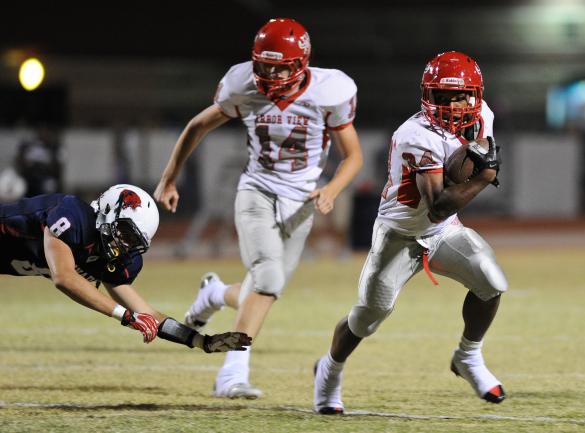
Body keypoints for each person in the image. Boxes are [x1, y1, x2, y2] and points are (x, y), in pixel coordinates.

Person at [154, 18, 363, 398]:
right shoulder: (243, 86)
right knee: (267, 278)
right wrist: (169, 178)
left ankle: (214, 293)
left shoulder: (330, 91)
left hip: (302, 202)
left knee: (267, 287)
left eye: (280, 66)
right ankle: (231, 373)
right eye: (264, 65)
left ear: (301, 63)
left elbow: (354, 156)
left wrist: (331, 188)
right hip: (257, 192)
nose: (271, 74)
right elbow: (196, 126)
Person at [313, 51, 508, 414]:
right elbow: (438, 204)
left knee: (491, 281)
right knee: (367, 317)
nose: (453, 104)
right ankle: (329, 370)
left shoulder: (484, 116)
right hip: (399, 235)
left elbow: (465, 170)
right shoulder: (415, 134)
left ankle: (468, 357)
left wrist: (475, 166)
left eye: (461, 94)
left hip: (442, 233)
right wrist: (484, 177)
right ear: (427, 95)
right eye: (443, 96)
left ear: (476, 94)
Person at [0, 184, 251, 353]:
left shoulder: (113, 258)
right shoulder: (73, 216)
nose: (125, 245)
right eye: (124, 232)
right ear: (108, 211)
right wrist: (126, 317)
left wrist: (200, 341)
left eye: (133, 241)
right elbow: (64, 277)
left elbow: (148, 314)